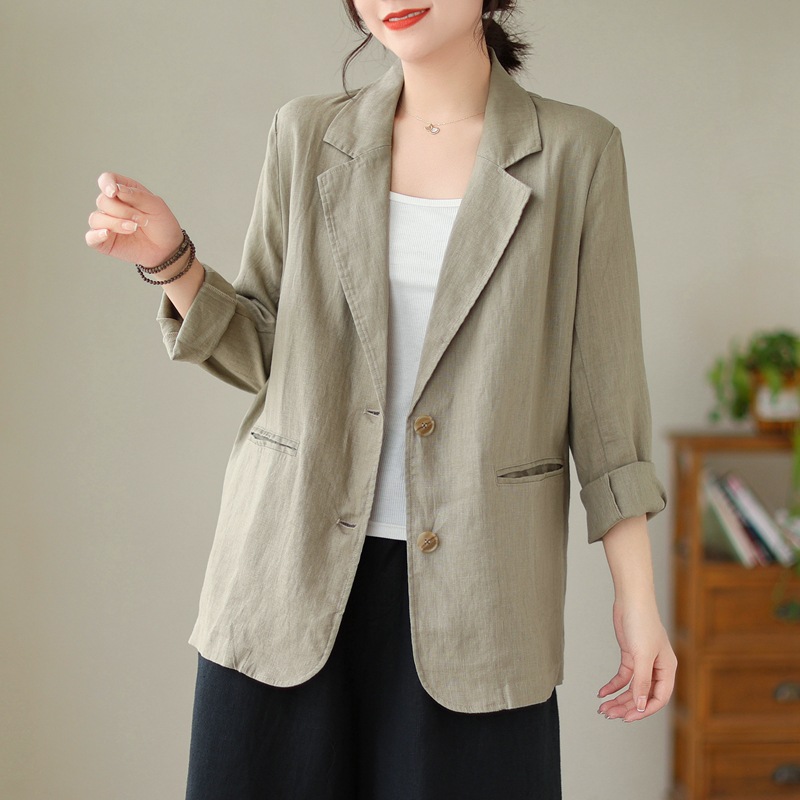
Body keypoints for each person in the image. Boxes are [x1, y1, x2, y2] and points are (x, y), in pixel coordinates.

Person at [85, 1, 677, 797]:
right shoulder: (306, 134)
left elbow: (607, 399)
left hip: (482, 596)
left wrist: (637, 601)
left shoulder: (577, 151)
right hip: (285, 572)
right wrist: (172, 262)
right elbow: (266, 355)